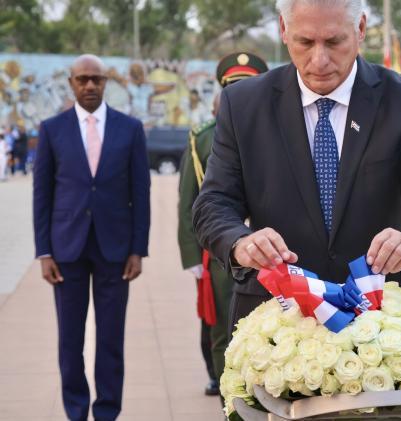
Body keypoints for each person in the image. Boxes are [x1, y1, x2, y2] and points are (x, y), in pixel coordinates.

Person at [192, 0, 401, 334]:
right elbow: (213, 203)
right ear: (283, 30)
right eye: (305, 42)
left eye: (334, 42)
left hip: (389, 318)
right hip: (278, 320)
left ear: (361, 29)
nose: (319, 60)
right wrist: (240, 243)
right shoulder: (244, 104)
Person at [33, 54, 151, 421]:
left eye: (96, 80)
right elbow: (42, 194)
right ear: (71, 83)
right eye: (82, 79)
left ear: (105, 83)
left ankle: (107, 411)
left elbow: (140, 192)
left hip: (115, 250)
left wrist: (138, 249)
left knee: (111, 338)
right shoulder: (52, 129)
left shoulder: (130, 129)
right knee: (70, 338)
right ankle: (75, 409)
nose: (89, 86)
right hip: (66, 248)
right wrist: (44, 252)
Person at [177, 52, 269, 396]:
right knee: (220, 327)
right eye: (234, 89)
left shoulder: (280, 129)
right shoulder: (203, 137)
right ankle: (229, 391)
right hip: (220, 252)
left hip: (274, 247)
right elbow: (189, 201)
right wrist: (192, 256)